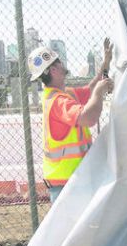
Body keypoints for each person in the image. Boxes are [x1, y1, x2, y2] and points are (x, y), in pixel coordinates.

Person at [28, 38, 115, 203]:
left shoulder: (60, 95)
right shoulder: (59, 102)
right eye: (59, 62)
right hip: (68, 186)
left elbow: (89, 91)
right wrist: (99, 93)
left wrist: (106, 64)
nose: (62, 65)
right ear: (53, 69)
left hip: (70, 182)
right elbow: (88, 118)